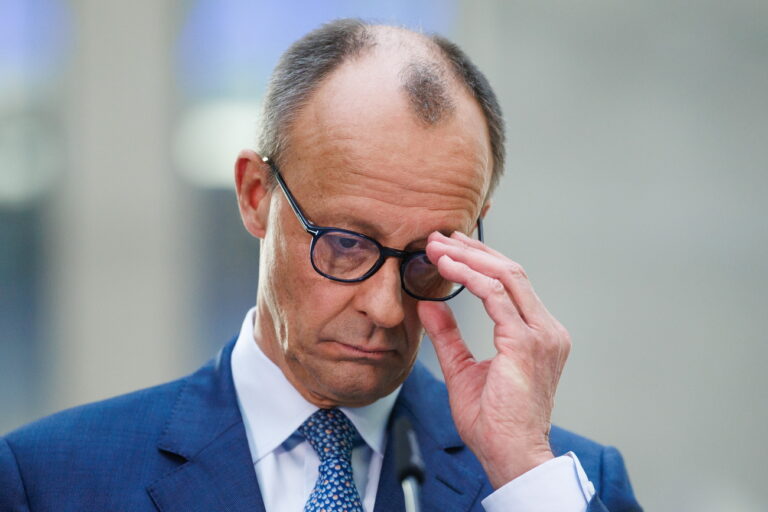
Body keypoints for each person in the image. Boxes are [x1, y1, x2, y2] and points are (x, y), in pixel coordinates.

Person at [0, 19, 642, 511]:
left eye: (429, 257)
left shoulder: (558, 483)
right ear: (256, 194)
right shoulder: (50, 479)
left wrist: (523, 473)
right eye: (347, 243)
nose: (386, 309)